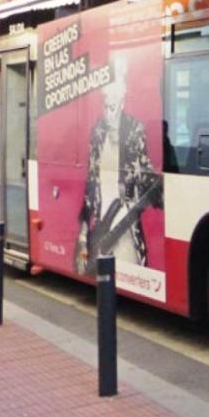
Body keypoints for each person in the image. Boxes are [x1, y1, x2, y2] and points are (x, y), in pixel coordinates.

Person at [75, 53, 163, 276]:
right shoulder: (97, 132)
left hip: (125, 226)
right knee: (101, 276)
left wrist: (162, 188)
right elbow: (90, 187)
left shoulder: (134, 131)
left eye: (113, 107)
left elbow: (145, 176)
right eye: (105, 106)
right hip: (101, 226)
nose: (108, 113)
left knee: (124, 273)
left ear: (122, 103)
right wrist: (84, 233)